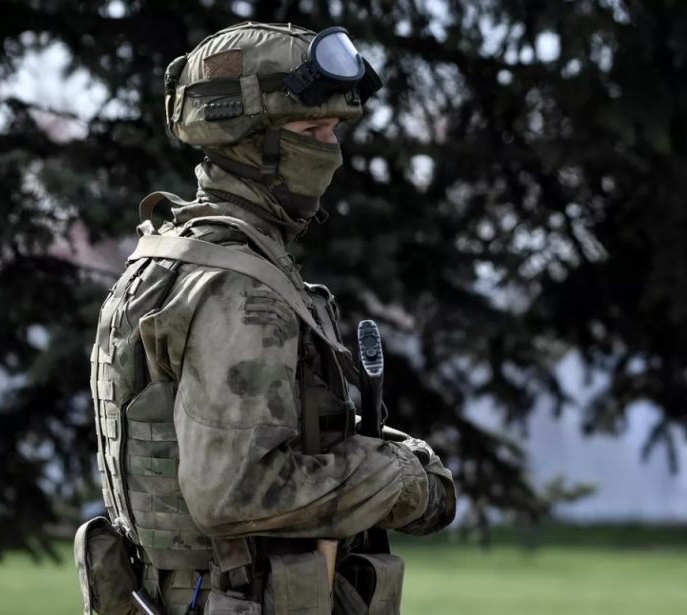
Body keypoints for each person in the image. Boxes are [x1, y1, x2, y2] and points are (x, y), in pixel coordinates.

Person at [83, 22, 456, 615]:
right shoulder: (234, 284)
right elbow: (234, 490)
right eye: (311, 130)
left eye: (334, 129)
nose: (330, 149)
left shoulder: (174, 253)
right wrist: (401, 481)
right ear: (246, 140)